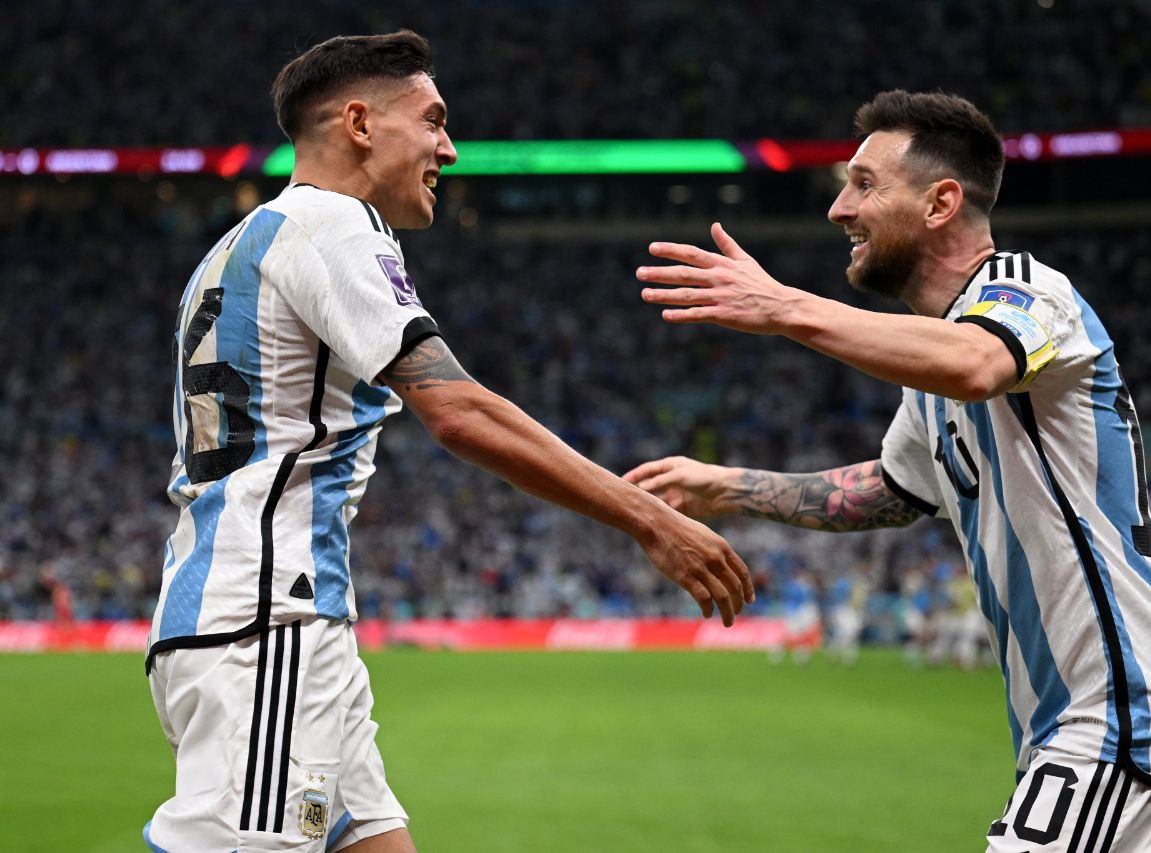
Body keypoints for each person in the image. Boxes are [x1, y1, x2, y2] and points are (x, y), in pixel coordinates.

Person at [144, 30, 752, 853]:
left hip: (261, 619)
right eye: (433, 121)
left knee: (371, 841)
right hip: (265, 629)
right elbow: (458, 410)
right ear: (359, 122)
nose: (450, 149)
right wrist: (649, 516)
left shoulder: (232, 248)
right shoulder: (334, 224)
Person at [625, 90, 1151, 851]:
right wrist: (726, 486)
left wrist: (784, 306)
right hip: (1085, 716)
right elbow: (886, 493)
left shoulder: (1027, 292)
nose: (838, 209)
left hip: (1131, 706)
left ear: (942, 201)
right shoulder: (932, 369)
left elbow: (981, 364)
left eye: (864, 183)